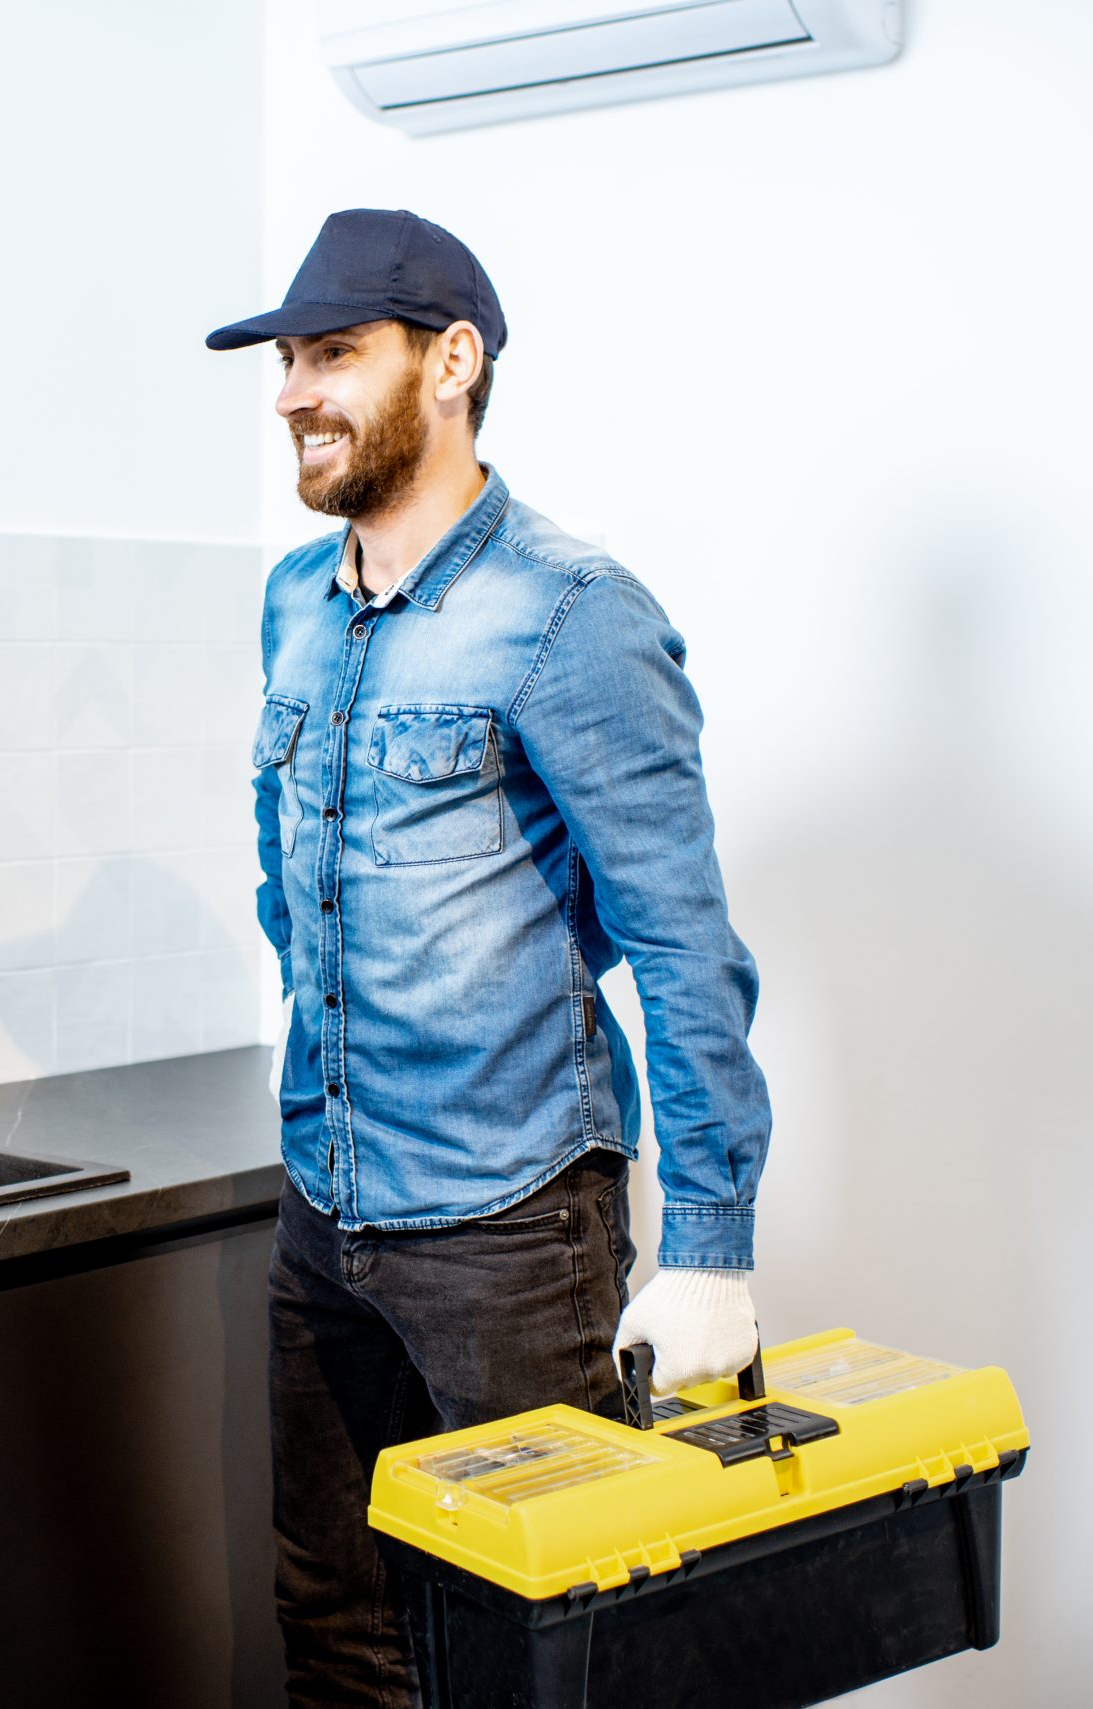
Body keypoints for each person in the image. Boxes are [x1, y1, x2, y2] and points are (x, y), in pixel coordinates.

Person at [209, 210, 774, 1705]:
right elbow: (287, 868)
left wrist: (715, 1243)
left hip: (512, 1229)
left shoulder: (571, 614)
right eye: (284, 360)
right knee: (337, 1626)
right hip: (325, 1213)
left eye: (332, 353)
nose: (290, 391)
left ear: (451, 363)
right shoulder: (291, 600)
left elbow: (684, 945)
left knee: (555, 1659)